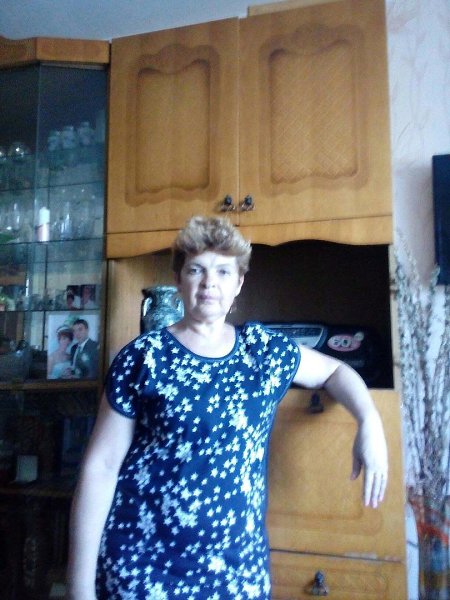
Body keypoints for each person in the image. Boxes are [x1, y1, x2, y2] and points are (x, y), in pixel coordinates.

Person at [66, 216, 388, 600]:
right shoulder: (143, 358)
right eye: (196, 270)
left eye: (223, 271)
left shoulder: (263, 351)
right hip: (142, 568)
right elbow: (100, 468)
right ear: (178, 279)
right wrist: (79, 587)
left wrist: (370, 421)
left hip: (236, 573)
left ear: (239, 283)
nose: (209, 283)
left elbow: (336, 371)